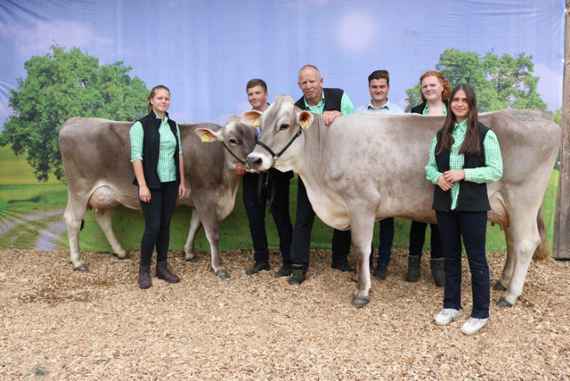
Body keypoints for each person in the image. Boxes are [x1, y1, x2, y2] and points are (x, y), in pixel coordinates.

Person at [426, 84, 503, 335]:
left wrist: (464, 173)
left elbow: (495, 170)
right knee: (450, 257)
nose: (459, 104)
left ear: (471, 104)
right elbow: (429, 167)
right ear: (450, 104)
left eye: (464, 100)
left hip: (472, 207)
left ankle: (481, 312)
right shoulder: (441, 134)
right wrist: (437, 177)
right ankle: (452, 305)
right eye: (455, 100)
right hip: (445, 206)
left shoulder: (485, 134)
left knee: (477, 259)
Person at [288, 64, 355, 285]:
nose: (308, 86)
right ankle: (298, 266)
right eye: (304, 83)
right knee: (303, 218)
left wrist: (340, 115)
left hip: (339, 169)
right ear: (299, 85)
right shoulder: (296, 109)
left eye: (312, 81)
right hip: (310, 173)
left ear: (321, 81)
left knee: (344, 214)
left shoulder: (340, 96)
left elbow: (356, 126)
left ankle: (340, 259)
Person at [130, 84, 188, 289]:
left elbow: (179, 154)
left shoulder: (173, 126)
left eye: (167, 98)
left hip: (171, 183)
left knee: (165, 226)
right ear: (151, 100)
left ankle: (162, 268)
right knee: (152, 227)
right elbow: (136, 157)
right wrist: (142, 185)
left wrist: (182, 180)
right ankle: (144, 270)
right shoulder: (140, 126)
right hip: (151, 184)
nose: (164, 101)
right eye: (160, 98)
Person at [242, 79, 294, 277]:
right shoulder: (245, 120)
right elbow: (239, 150)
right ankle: (261, 260)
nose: (254, 97)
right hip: (251, 177)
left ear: (265, 94)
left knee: (281, 218)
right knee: (255, 220)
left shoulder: (279, 117)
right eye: (250, 94)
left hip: (276, 176)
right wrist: (240, 165)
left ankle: (288, 261)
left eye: (257, 93)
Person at [405, 70, 450, 286]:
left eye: (432, 85)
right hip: (417, 169)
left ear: (442, 87)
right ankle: (413, 264)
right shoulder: (414, 112)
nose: (429, 89)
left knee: (440, 219)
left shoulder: (453, 111)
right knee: (417, 219)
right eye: (425, 86)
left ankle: (438, 265)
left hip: (444, 171)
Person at [360, 70, 403, 281]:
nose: (378, 90)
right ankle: (365, 263)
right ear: (369, 88)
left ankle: (383, 264)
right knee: (363, 220)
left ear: (388, 88)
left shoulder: (398, 113)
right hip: (364, 176)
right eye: (374, 87)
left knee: (387, 220)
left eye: (382, 86)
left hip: (390, 176)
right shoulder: (359, 114)